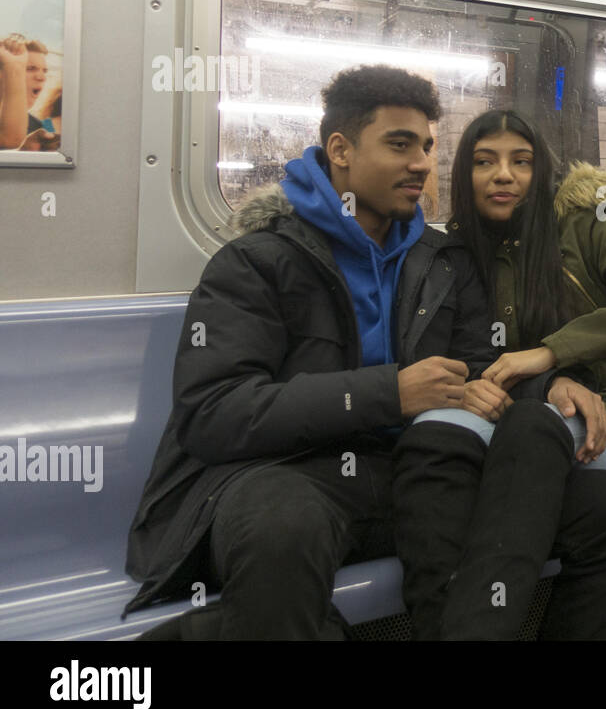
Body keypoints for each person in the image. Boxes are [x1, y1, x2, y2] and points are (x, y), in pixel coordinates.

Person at [123, 64, 570, 638]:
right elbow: (214, 412)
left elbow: (483, 365)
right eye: (400, 144)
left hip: (406, 470)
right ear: (340, 149)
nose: (421, 164)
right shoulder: (257, 263)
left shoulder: (442, 262)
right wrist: (389, 393)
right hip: (282, 473)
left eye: (428, 147)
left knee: (551, 502)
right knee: (283, 532)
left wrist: (550, 383)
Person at [392, 109, 606, 639]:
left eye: (520, 162)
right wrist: (475, 383)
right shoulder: (454, 255)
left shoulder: (585, 227)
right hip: (523, 424)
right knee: (436, 433)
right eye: (485, 162)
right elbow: (467, 355)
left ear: (540, 171)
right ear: (464, 175)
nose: (504, 175)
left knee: (531, 428)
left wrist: (551, 355)